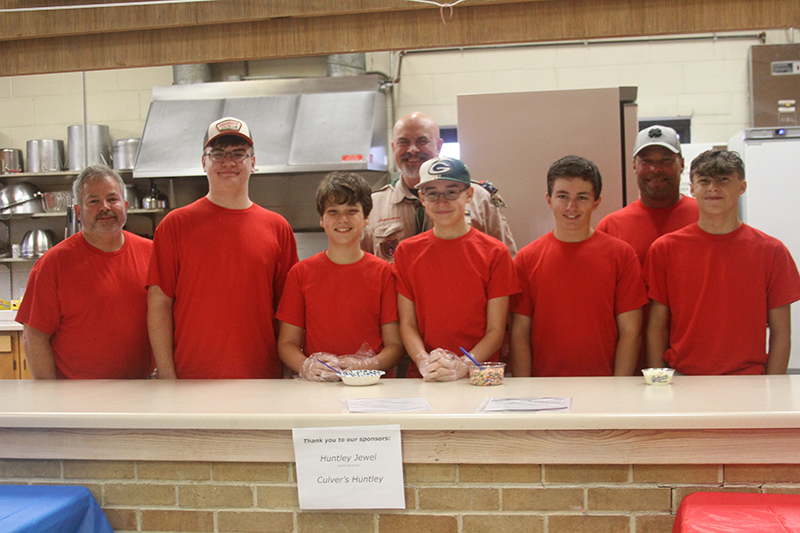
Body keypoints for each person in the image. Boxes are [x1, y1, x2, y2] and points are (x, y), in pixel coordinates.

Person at [147, 117, 298, 379]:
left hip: (261, 379)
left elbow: (288, 313)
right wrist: (168, 379)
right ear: (203, 161)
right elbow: (159, 304)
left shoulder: (278, 228)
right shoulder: (174, 225)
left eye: (239, 154)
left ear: (253, 161)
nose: (228, 162)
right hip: (191, 380)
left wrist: (286, 374)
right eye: (217, 154)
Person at [645, 149, 800, 375]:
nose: (713, 188)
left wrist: (773, 388)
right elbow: (657, 327)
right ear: (692, 189)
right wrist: (658, 384)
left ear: (742, 187)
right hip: (685, 379)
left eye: (724, 180)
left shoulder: (772, 251)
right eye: (704, 181)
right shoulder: (665, 249)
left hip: (750, 380)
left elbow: (781, 332)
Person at [510, 155, 647, 377]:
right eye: (562, 196)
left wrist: (619, 389)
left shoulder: (621, 255)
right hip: (545, 392)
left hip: (604, 387)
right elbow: (519, 334)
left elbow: (631, 332)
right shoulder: (527, 259)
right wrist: (526, 392)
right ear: (549, 199)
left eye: (582, 197)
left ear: (596, 202)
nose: (571, 206)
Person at [16, 165, 153, 379]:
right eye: (93, 201)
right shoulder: (53, 264)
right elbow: (34, 336)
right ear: (78, 212)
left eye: (112, 199)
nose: (105, 207)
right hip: (76, 399)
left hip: (141, 391)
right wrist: (49, 398)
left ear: (125, 206)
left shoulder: (152, 254)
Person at [393, 156, 519, 381]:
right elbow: (408, 324)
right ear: (422, 198)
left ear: (469, 195)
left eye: (452, 192)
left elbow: (496, 331)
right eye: (432, 193)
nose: (442, 202)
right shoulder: (406, 252)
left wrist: (462, 365)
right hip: (425, 376)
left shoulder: (495, 253)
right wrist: (424, 361)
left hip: (480, 376)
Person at [276, 172, 403, 381]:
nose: (342, 219)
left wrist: (367, 365)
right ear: (321, 219)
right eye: (333, 211)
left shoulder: (385, 274)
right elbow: (287, 344)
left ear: (365, 219)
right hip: (317, 387)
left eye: (352, 211)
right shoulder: (300, 273)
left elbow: (395, 346)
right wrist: (306, 366)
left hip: (372, 386)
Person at [596, 125, 699, 371]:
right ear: (634, 165)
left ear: (681, 164)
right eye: (646, 161)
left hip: (694, 359)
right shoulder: (612, 226)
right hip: (630, 361)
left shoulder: (705, 217)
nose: (655, 169)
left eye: (665, 160)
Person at [362, 111, 517, 262]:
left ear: (439, 146)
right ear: (393, 147)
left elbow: (506, 262)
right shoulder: (374, 206)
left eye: (422, 141)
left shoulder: (479, 198)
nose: (413, 150)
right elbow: (364, 268)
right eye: (403, 142)